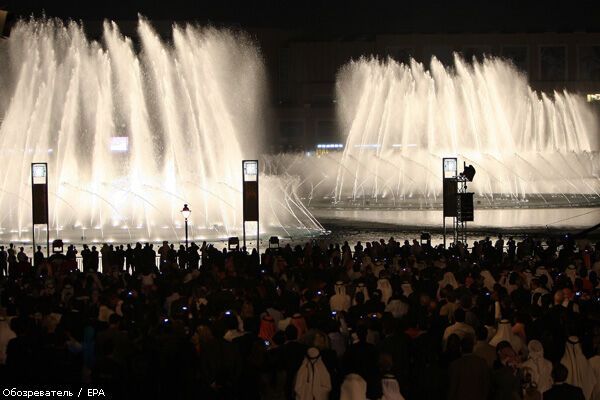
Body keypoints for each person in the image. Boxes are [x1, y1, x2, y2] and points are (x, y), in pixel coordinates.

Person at [448, 335, 490, 400]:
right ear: (473, 348)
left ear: (460, 348)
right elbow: (486, 385)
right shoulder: (482, 363)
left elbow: (453, 388)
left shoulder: (455, 365)